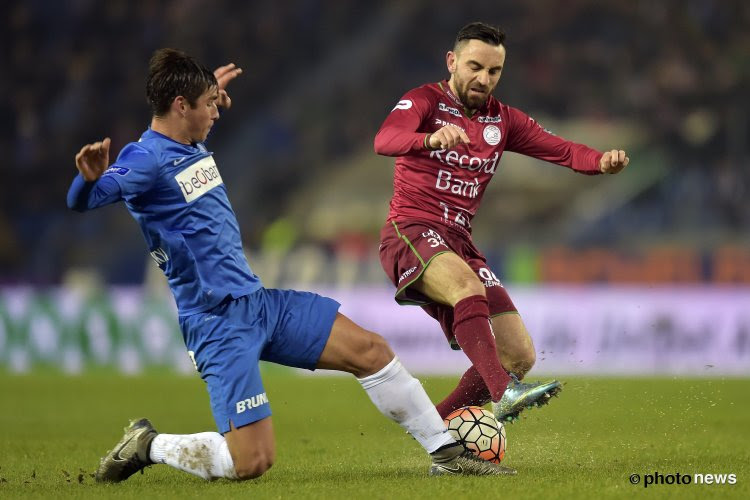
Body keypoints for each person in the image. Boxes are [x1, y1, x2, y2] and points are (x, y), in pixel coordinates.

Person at [67, 48, 516, 481]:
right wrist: (87, 183)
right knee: (252, 462)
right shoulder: (144, 159)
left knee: (372, 352)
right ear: (180, 106)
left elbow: (184, 160)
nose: (218, 112)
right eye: (208, 106)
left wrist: (209, 94)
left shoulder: (187, 141)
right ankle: (148, 445)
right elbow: (92, 198)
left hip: (259, 303)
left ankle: (446, 454)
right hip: (218, 323)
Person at [374, 22, 629, 422]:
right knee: (466, 286)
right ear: (452, 61)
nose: (483, 78)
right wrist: (430, 139)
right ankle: (504, 393)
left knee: (518, 354)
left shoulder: (503, 120)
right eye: (475, 66)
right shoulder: (423, 101)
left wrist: (599, 161)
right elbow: (385, 139)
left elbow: (562, 150)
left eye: (494, 71)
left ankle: (434, 425)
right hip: (411, 230)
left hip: (459, 241)